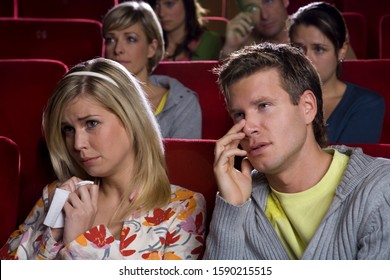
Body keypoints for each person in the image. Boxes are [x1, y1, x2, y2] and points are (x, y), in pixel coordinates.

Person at [0, 58, 206, 260]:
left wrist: (79, 243)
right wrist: (53, 233)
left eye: (91, 123)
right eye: (68, 129)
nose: (77, 143)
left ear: (131, 119)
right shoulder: (57, 195)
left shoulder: (182, 208)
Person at [204, 43, 390, 260]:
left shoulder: (380, 188)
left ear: (307, 107)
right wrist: (232, 208)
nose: (247, 126)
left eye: (264, 105)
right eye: (239, 114)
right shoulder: (240, 198)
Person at [103, 1, 202, 139]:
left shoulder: (183, 104)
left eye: (130, 39)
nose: (118, 49)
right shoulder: (93, 97)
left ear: (152, 48)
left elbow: (183, 159)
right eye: (110, 40)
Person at [289, 2, 385, 143]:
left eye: (319, 49)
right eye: (298, 49)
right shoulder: (278, 97)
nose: (307, 58)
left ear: (342, 50)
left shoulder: (368, 104)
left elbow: (351, 163)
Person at [220, 0, 356, 60]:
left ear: (284, 1)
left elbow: (355, 76)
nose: (264, 15)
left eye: (268, 1)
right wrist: (229, 48)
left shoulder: (319, 28)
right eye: (252, 8)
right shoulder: (242, 47)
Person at [148, 0, 223, 60]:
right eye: (156, 5)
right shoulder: (149, 43)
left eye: (169, 4)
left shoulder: (209, 41)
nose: (161, 13)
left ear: (187, 4)